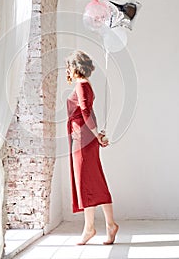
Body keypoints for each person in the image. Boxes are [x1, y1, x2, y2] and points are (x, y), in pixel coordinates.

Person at [66, 50, 119, 245]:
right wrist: (97, 135)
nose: (68, 71)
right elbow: (88, 113)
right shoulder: (85, 85)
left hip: (83, 139)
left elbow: (86, 113)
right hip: (84, 138)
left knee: (89, 181)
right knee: (90, 182)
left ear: (75, 67)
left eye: (69, 67)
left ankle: (97, 227)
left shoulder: (81, 85)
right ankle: (98, 226)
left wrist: (97, 135)